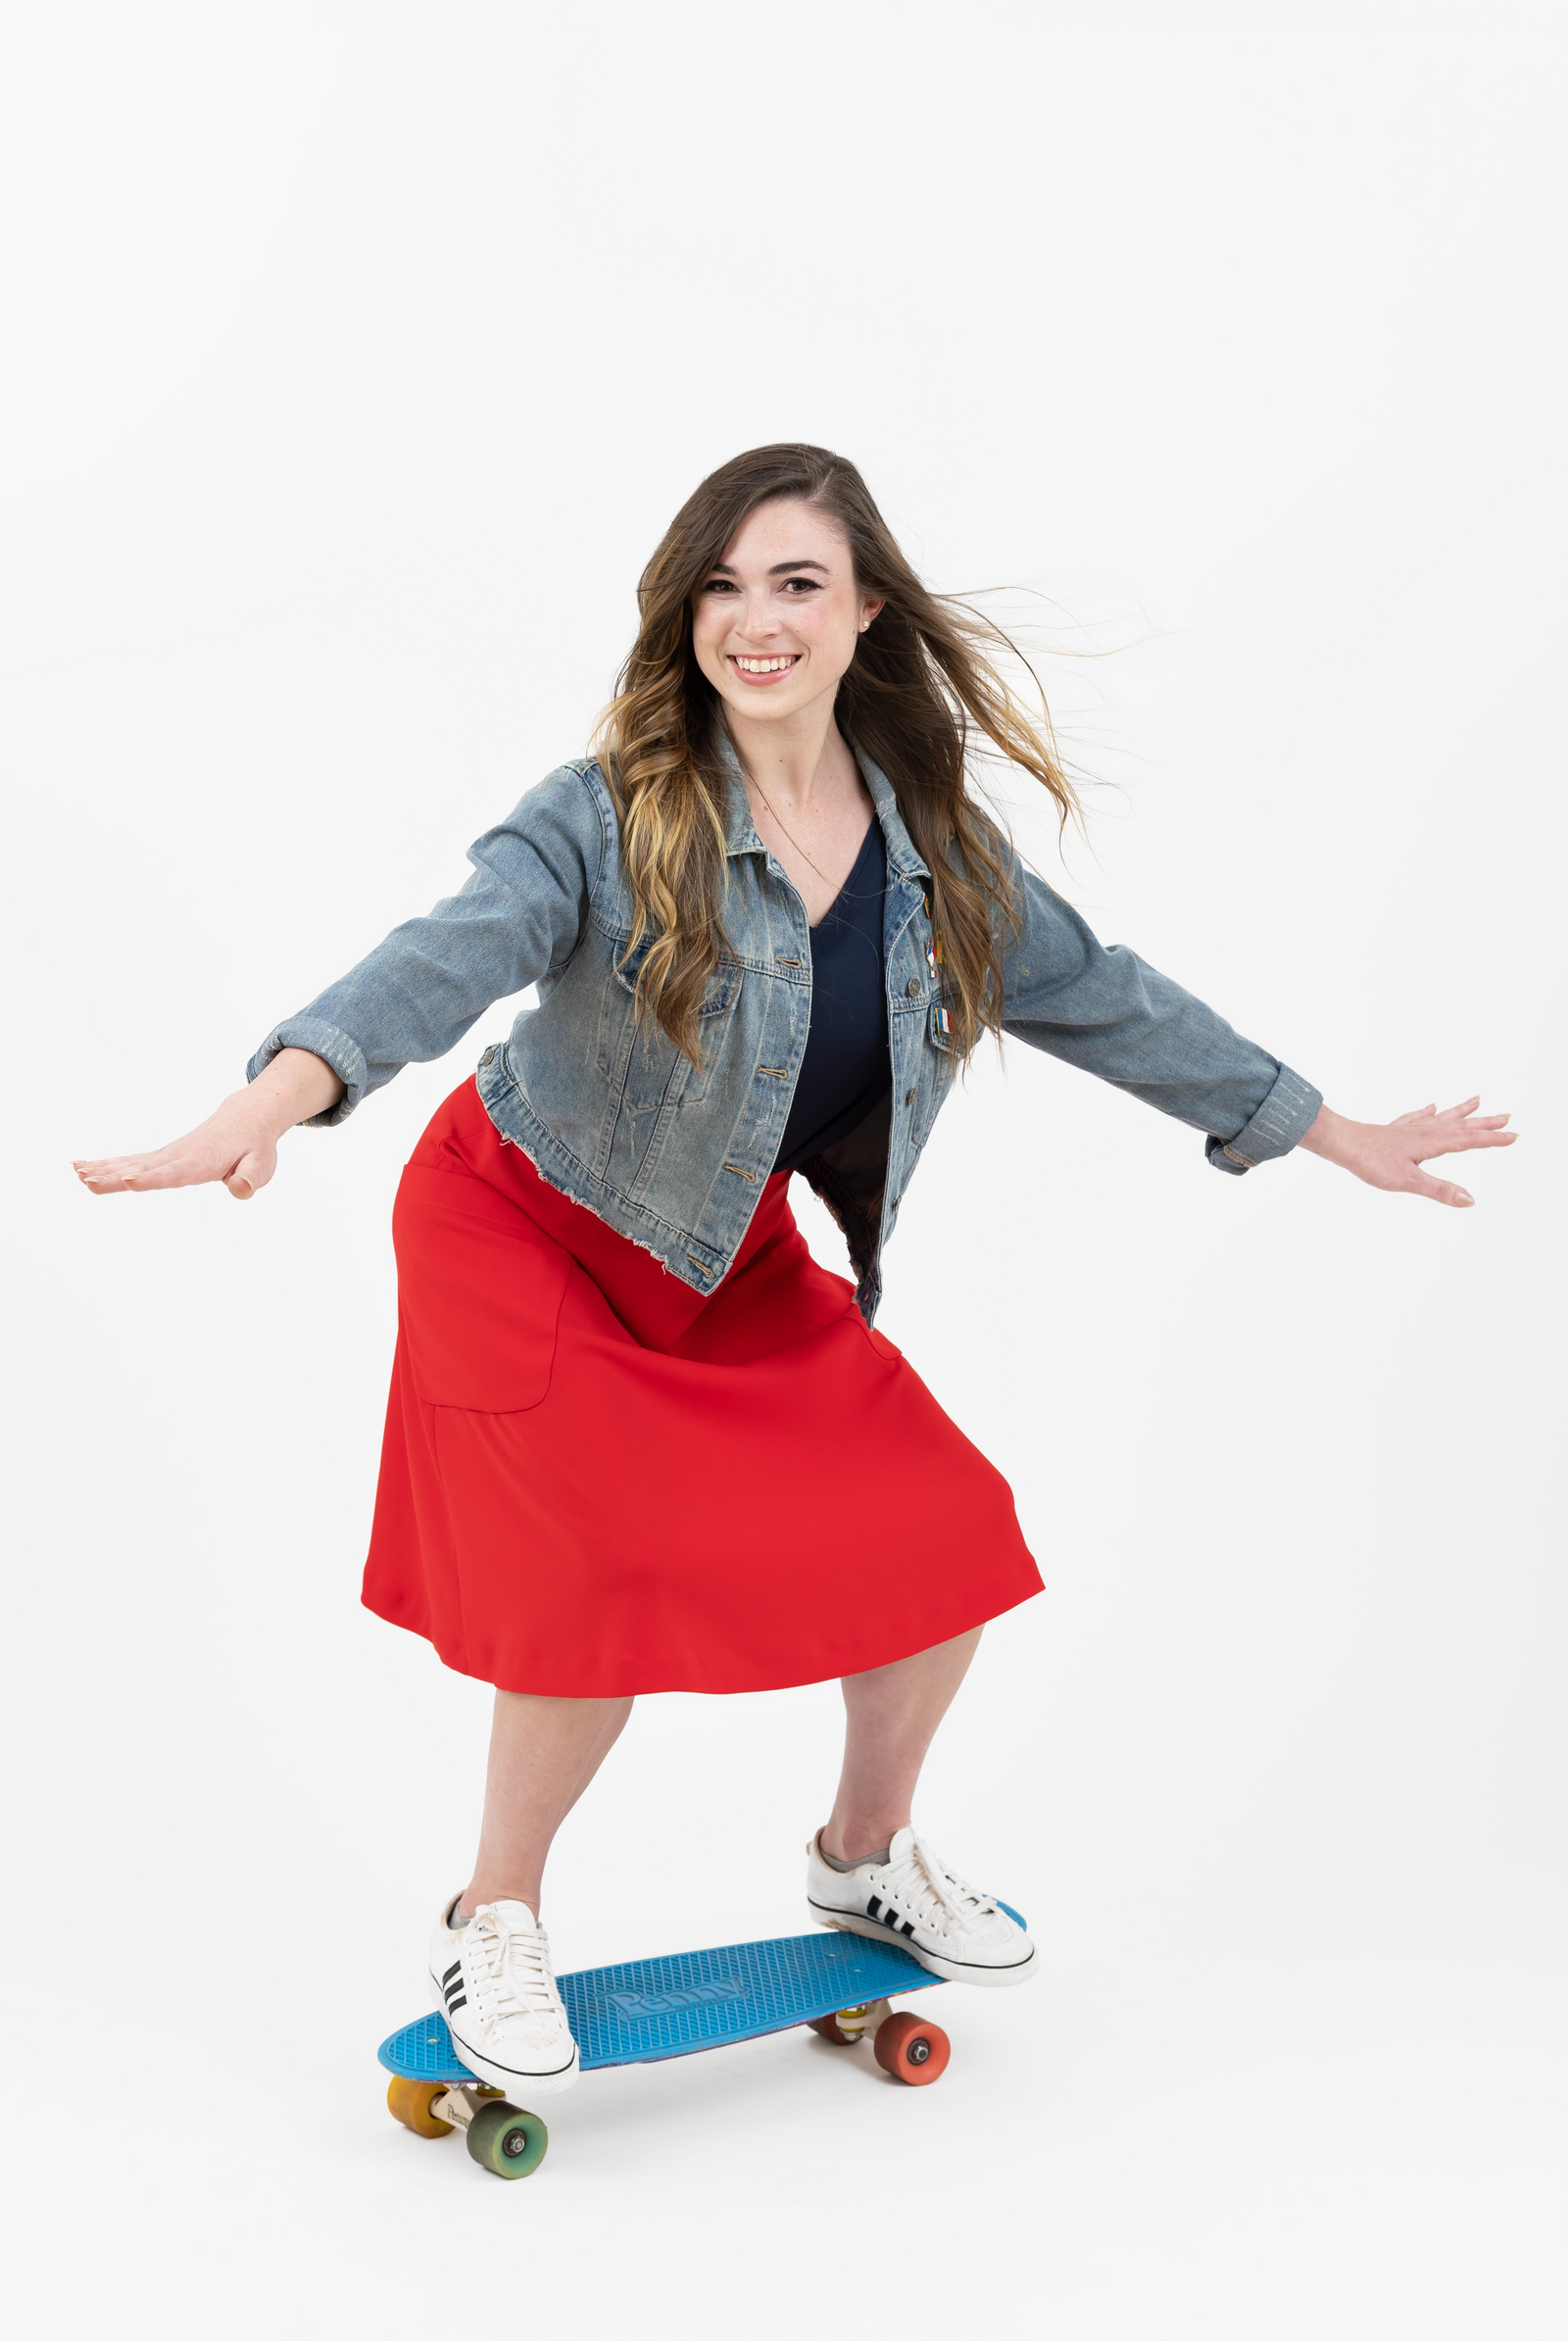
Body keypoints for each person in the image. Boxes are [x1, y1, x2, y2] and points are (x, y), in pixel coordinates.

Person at [74, 443, 1514, 2101]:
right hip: (520, 1225)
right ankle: (493, 1916)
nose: (754, 620)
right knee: (585, 1587)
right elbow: (440, 959)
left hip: (715, 1250)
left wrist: (1331, 1130)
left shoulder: (937, 860)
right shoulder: (609, 813)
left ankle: (862, 1856)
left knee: (947, 1531)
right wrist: (272, 1098)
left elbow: (1113, 1000)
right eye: (722, 585)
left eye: (797, 583)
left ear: (866, 610)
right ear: (685, 612)